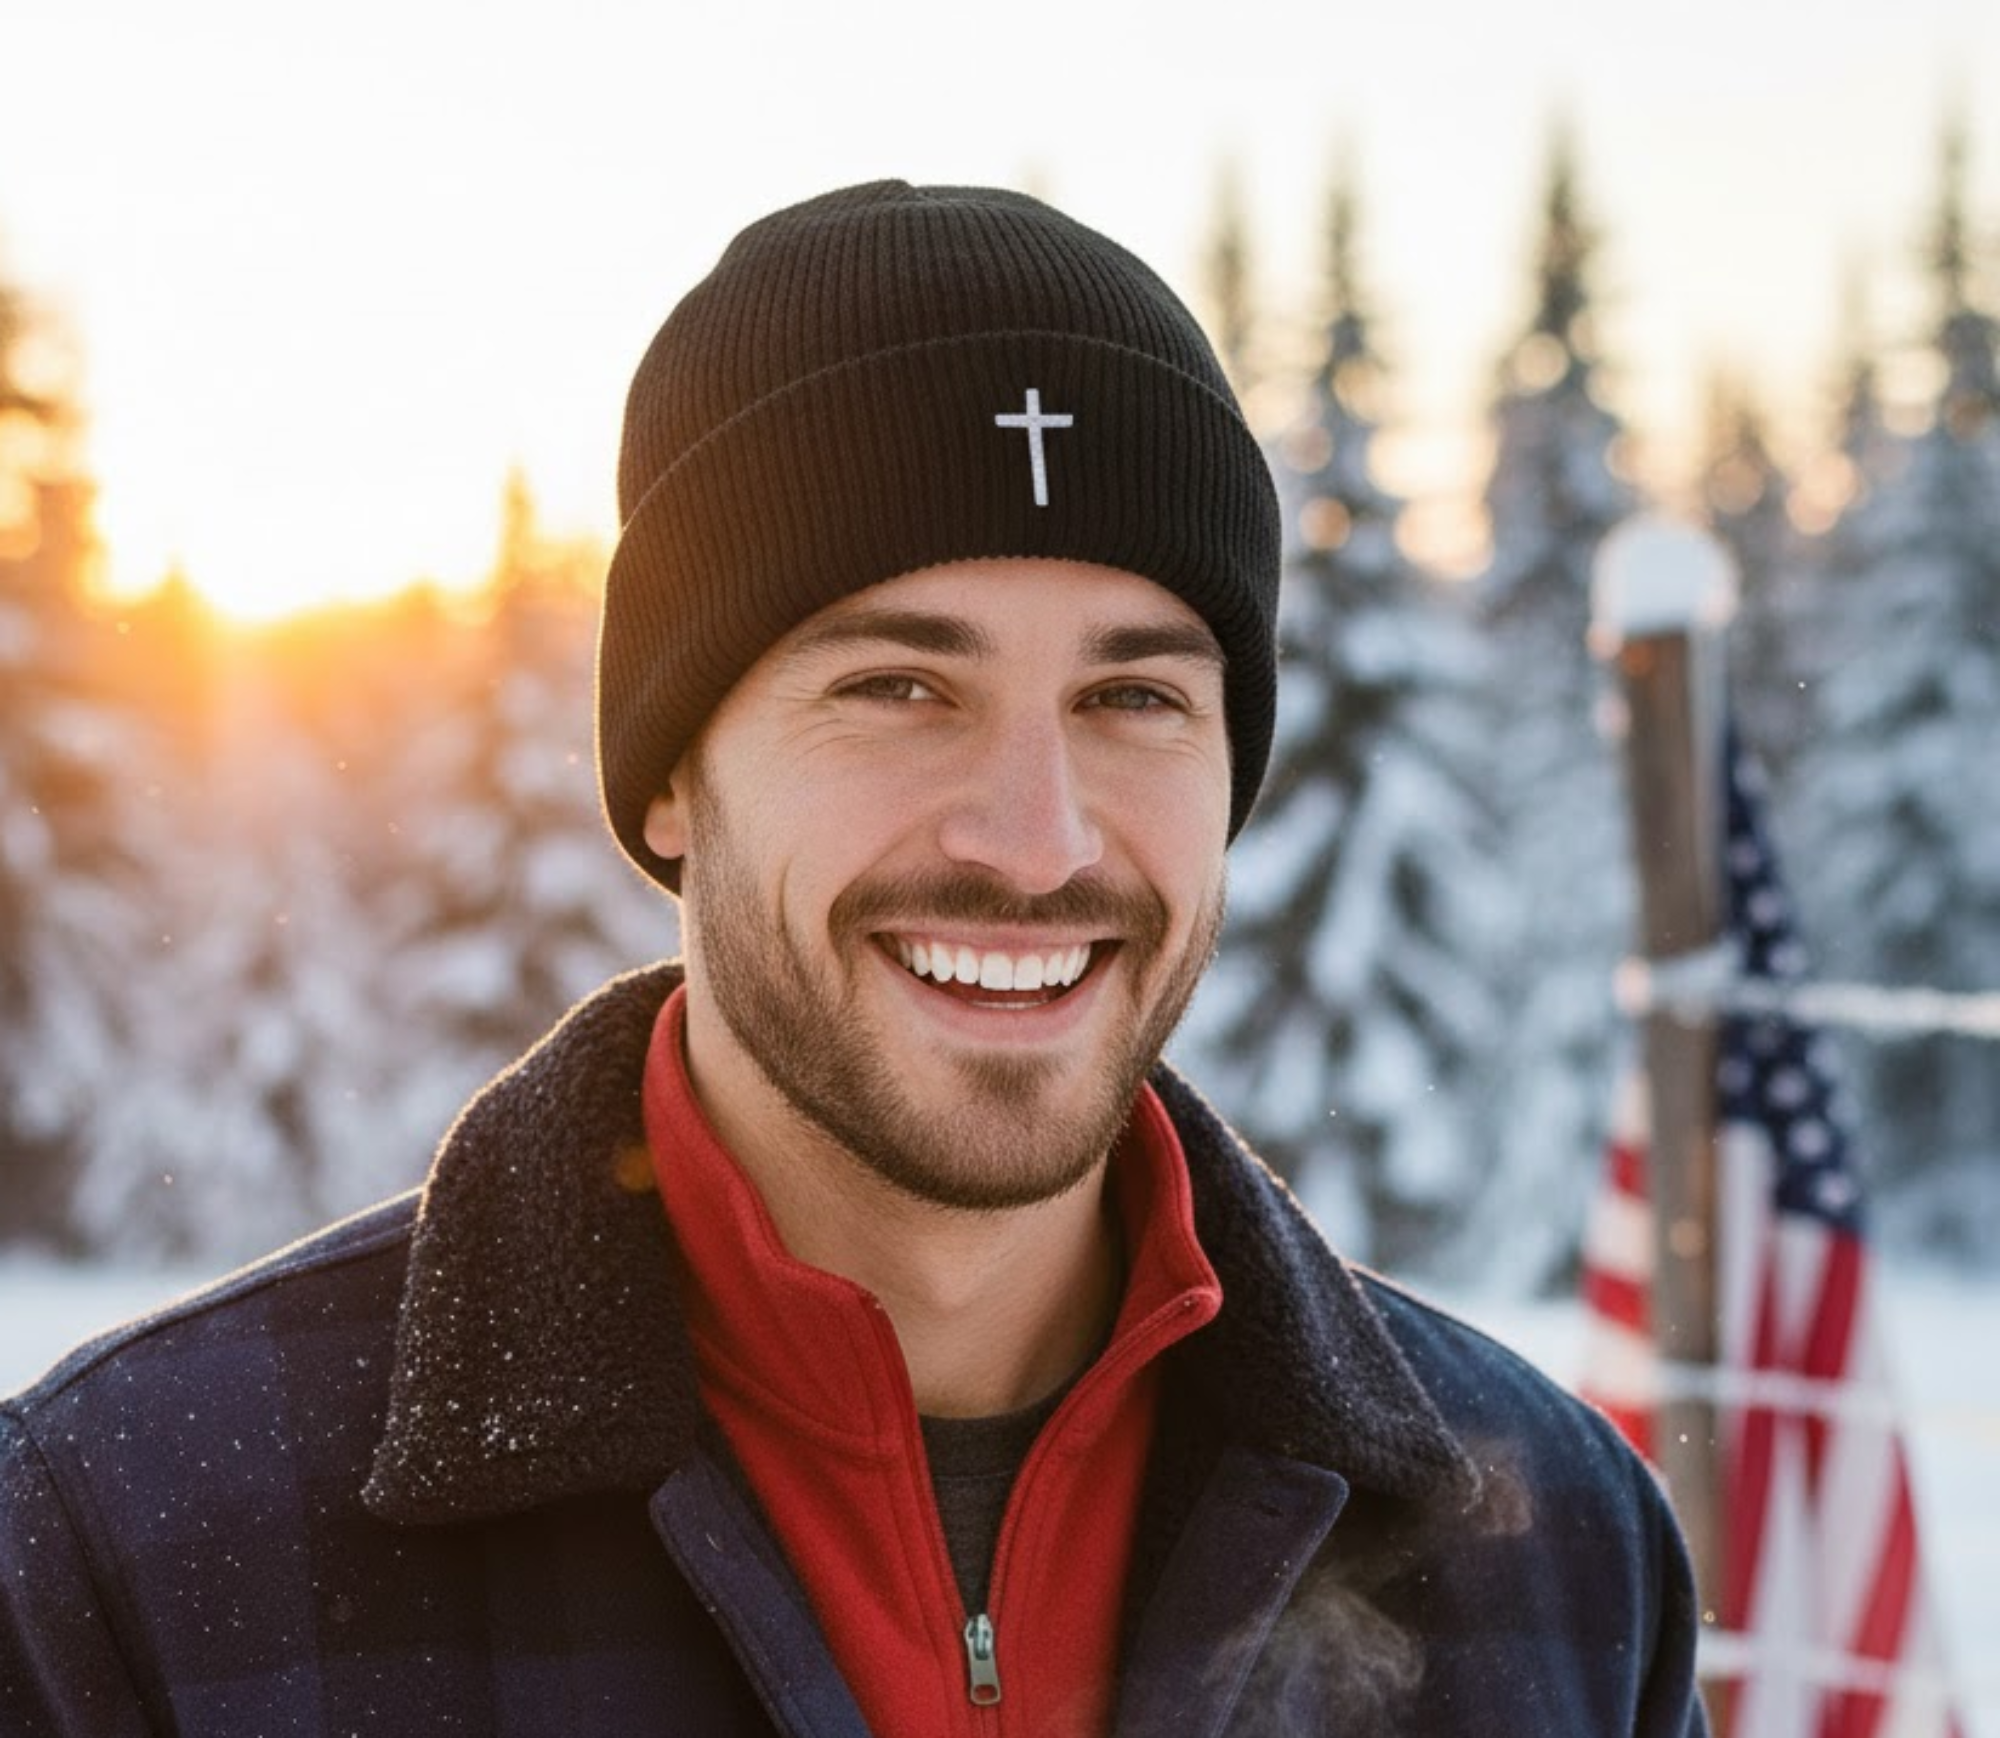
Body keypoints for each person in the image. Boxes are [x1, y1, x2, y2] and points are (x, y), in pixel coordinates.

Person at [0, 181, 1706, 1736]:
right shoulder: (138, 1553)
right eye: (900, 686)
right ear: (672, 771)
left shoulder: (1551, 1564)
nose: (1038, 842)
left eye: (1134, 698)